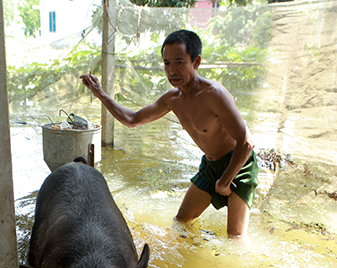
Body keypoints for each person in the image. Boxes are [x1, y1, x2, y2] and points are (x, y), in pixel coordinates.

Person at [80, 29, 259, 239]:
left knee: (235, 238)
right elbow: (132, 119)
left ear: (196, 62)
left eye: (179, 62)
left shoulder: (214, 94)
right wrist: (100, 94)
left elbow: (246, 143)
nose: (172, 70)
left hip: (239, 163)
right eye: (167, 63)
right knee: (181, 222)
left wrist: (225, 180)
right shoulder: (172, 99)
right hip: (211, 165)